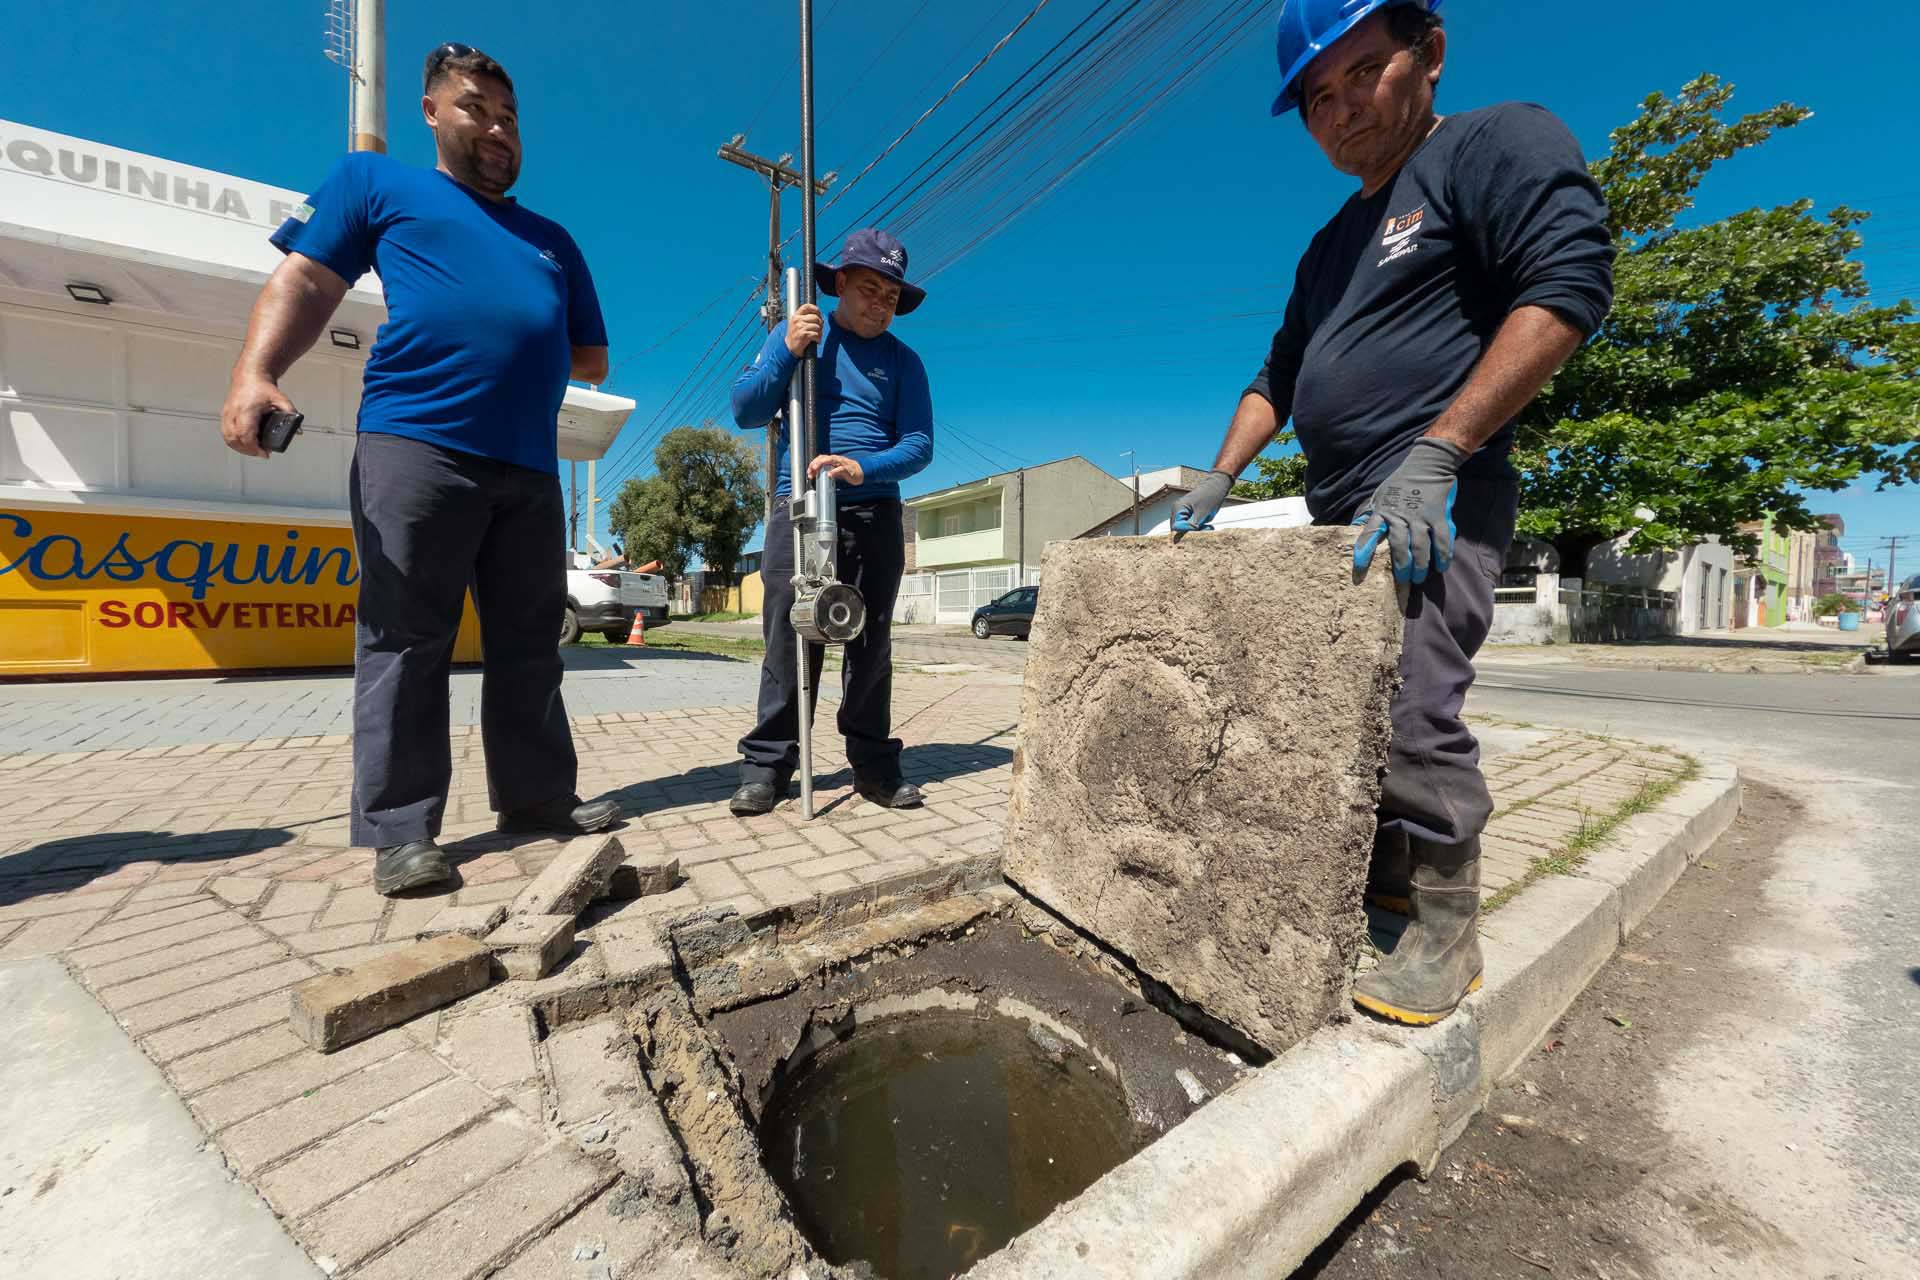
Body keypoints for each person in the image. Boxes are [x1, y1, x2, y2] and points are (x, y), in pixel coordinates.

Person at [1174, 0, 1614, 1025]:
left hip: (1435, 498)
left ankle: (1448, 932)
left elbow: (1568, 285)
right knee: (1344, 708)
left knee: (1414, 710)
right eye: (1316, 98)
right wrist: (1220, 478)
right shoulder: (1330, 246)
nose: (1340, 110)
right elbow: (1275, 376)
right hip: (1340, 516)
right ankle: (1382, 880)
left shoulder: (1490, 144)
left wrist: (1438, 451)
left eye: (1361, 72)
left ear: (1429, 56)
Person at [218, 43, 620, 896]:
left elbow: (592, 354)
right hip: (416, 444)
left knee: (529, 646)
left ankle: (538, 799)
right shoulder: (378, 185)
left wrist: (518, 327)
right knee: (407, 639)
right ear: (433, 113)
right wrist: (257, 373)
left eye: (509, 117)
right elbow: (306, 280)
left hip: (528, 466)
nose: (498, 128)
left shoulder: (553, 238)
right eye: (476, 108)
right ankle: (403, 830)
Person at [727, 228, 935, 815]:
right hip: (800, 507)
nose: (880, 304)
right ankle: (768, 766)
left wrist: (860, 468)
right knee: (791, 637)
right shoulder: (800, 337)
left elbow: (919, 445)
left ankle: (873, 767)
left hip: (874, 509)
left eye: (891, 297)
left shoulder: (904, 362)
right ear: (840, 283)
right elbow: (746, 409)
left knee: (869, 643)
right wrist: (787, 349)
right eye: (870, 290)